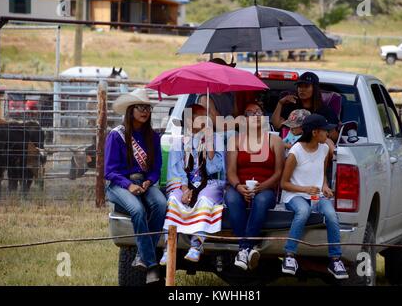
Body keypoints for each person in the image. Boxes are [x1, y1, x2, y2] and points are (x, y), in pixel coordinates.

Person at [104, 88, 167, 284]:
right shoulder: (116, 136)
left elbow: (156, 168)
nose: (145, 111)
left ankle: (141, 254)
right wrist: (128, 185)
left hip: (144, 183)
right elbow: (109, 171)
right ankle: (151, 265)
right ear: (130, 110)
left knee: (161, 205)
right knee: (138, 210)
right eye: (140, 107)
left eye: (147, 107)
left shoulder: (153, 137)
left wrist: (149, 181)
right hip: (118, 184)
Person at [280, 114, 349, 280]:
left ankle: (335, 260)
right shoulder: (296, 151)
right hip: (294, 195)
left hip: (316, 196)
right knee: (303, 211)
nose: (328, 133)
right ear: (314, 132)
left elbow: (321, 173)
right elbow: (284, 183)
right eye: (325, 130)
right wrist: (304, 189)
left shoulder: (324, 149)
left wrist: (324, 185)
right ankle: (289, 256)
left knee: (332, 215)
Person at [160, 104, 226, 264]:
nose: (206, 120)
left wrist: (209, 147)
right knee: (174, 199)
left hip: (209, 183)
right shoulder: (179, 142)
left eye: (207, 116)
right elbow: (176, 170)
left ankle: (196, 245)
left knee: (204, 199)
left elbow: (215, 168)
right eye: (200, 116)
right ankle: (169, 246)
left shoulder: (216, 139)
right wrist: (184, 189)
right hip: (185, 184)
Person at [225, 101, 285, 271]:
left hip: (266, 188)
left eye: (259, 112)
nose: (256, 115)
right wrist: (238, 187)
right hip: (240, 186)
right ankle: (246, 249)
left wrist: (262, 186)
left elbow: (279, 172)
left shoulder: (275, 140)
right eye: (251, 113)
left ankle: (244, 248)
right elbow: (230, 171)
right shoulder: (235, 140)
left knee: (260, 200)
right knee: (231, 198)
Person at [271, 71, 338, 132]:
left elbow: (334, 137)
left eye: (306, 86)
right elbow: (276, 126)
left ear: (315, 89)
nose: (302, 90)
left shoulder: (325, 111)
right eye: (300, 86)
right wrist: (280, 103)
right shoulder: (291, 107)